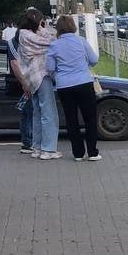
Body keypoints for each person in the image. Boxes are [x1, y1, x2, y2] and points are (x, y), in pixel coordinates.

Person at [47, 15, 101, 162]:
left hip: (64, 86)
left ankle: (78, 153)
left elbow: (50, 68)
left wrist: (58, 75)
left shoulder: (54, 45)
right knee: (90, 118)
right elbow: (94, 60)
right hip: (84, 83)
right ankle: (93, 152)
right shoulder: (81, 41)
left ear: (58, 28)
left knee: (71, 120)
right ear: (73, 26)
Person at [16, 9, 59, 159]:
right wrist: (43, 28)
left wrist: (40, 27)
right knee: (49, 113)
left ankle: (37, 147)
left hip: (31, 78)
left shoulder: (22, 34)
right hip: (40, 75)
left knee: (38, 114)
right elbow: (52, 41)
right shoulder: (28, 36)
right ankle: (48, 149)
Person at [6, 30, 35, 154]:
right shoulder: (14, 44)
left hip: (21, 82)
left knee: (27, 113)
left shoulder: (13, 43)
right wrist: (25, 84)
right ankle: (29, 142)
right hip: (25, 83)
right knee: (29, 113)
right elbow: (15, 64)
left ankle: (28, 142)